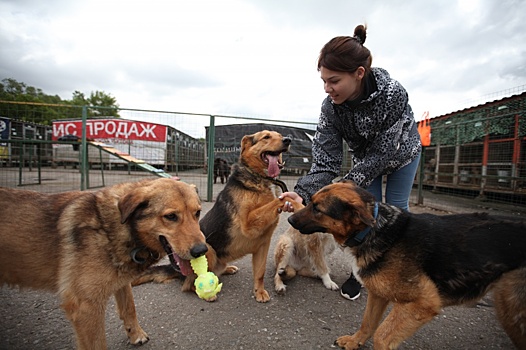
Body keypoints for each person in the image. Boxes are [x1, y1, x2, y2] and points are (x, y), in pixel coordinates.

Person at [280, 24, 422, 301]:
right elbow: (325, 159)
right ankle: (363, 272)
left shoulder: (393, 94)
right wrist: (304, 191)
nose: (327, 88)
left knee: (396, 210)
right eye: (323, 80)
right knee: (369, 214)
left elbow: (383, 152)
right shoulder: (330, 108)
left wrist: (346, 185)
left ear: (358, 74)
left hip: (401, 154)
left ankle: (402, 269)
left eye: (333, 80)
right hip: (365, 159)